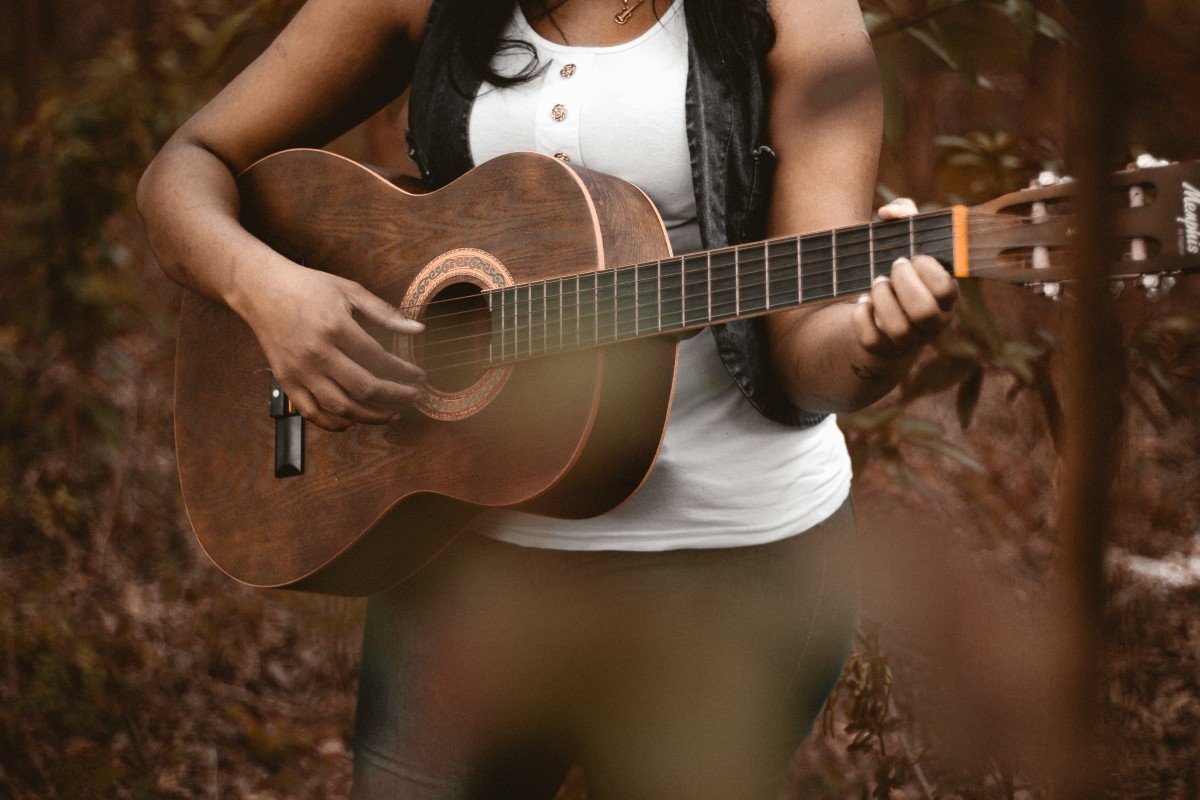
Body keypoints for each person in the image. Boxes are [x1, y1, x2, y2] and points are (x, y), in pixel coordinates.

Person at [137, 0, 959, 797]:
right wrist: (272, 295)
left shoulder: (796, 9)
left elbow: (807, 350)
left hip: (733, 565)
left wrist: (873, 346)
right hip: (462, 549)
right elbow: (184, 168)